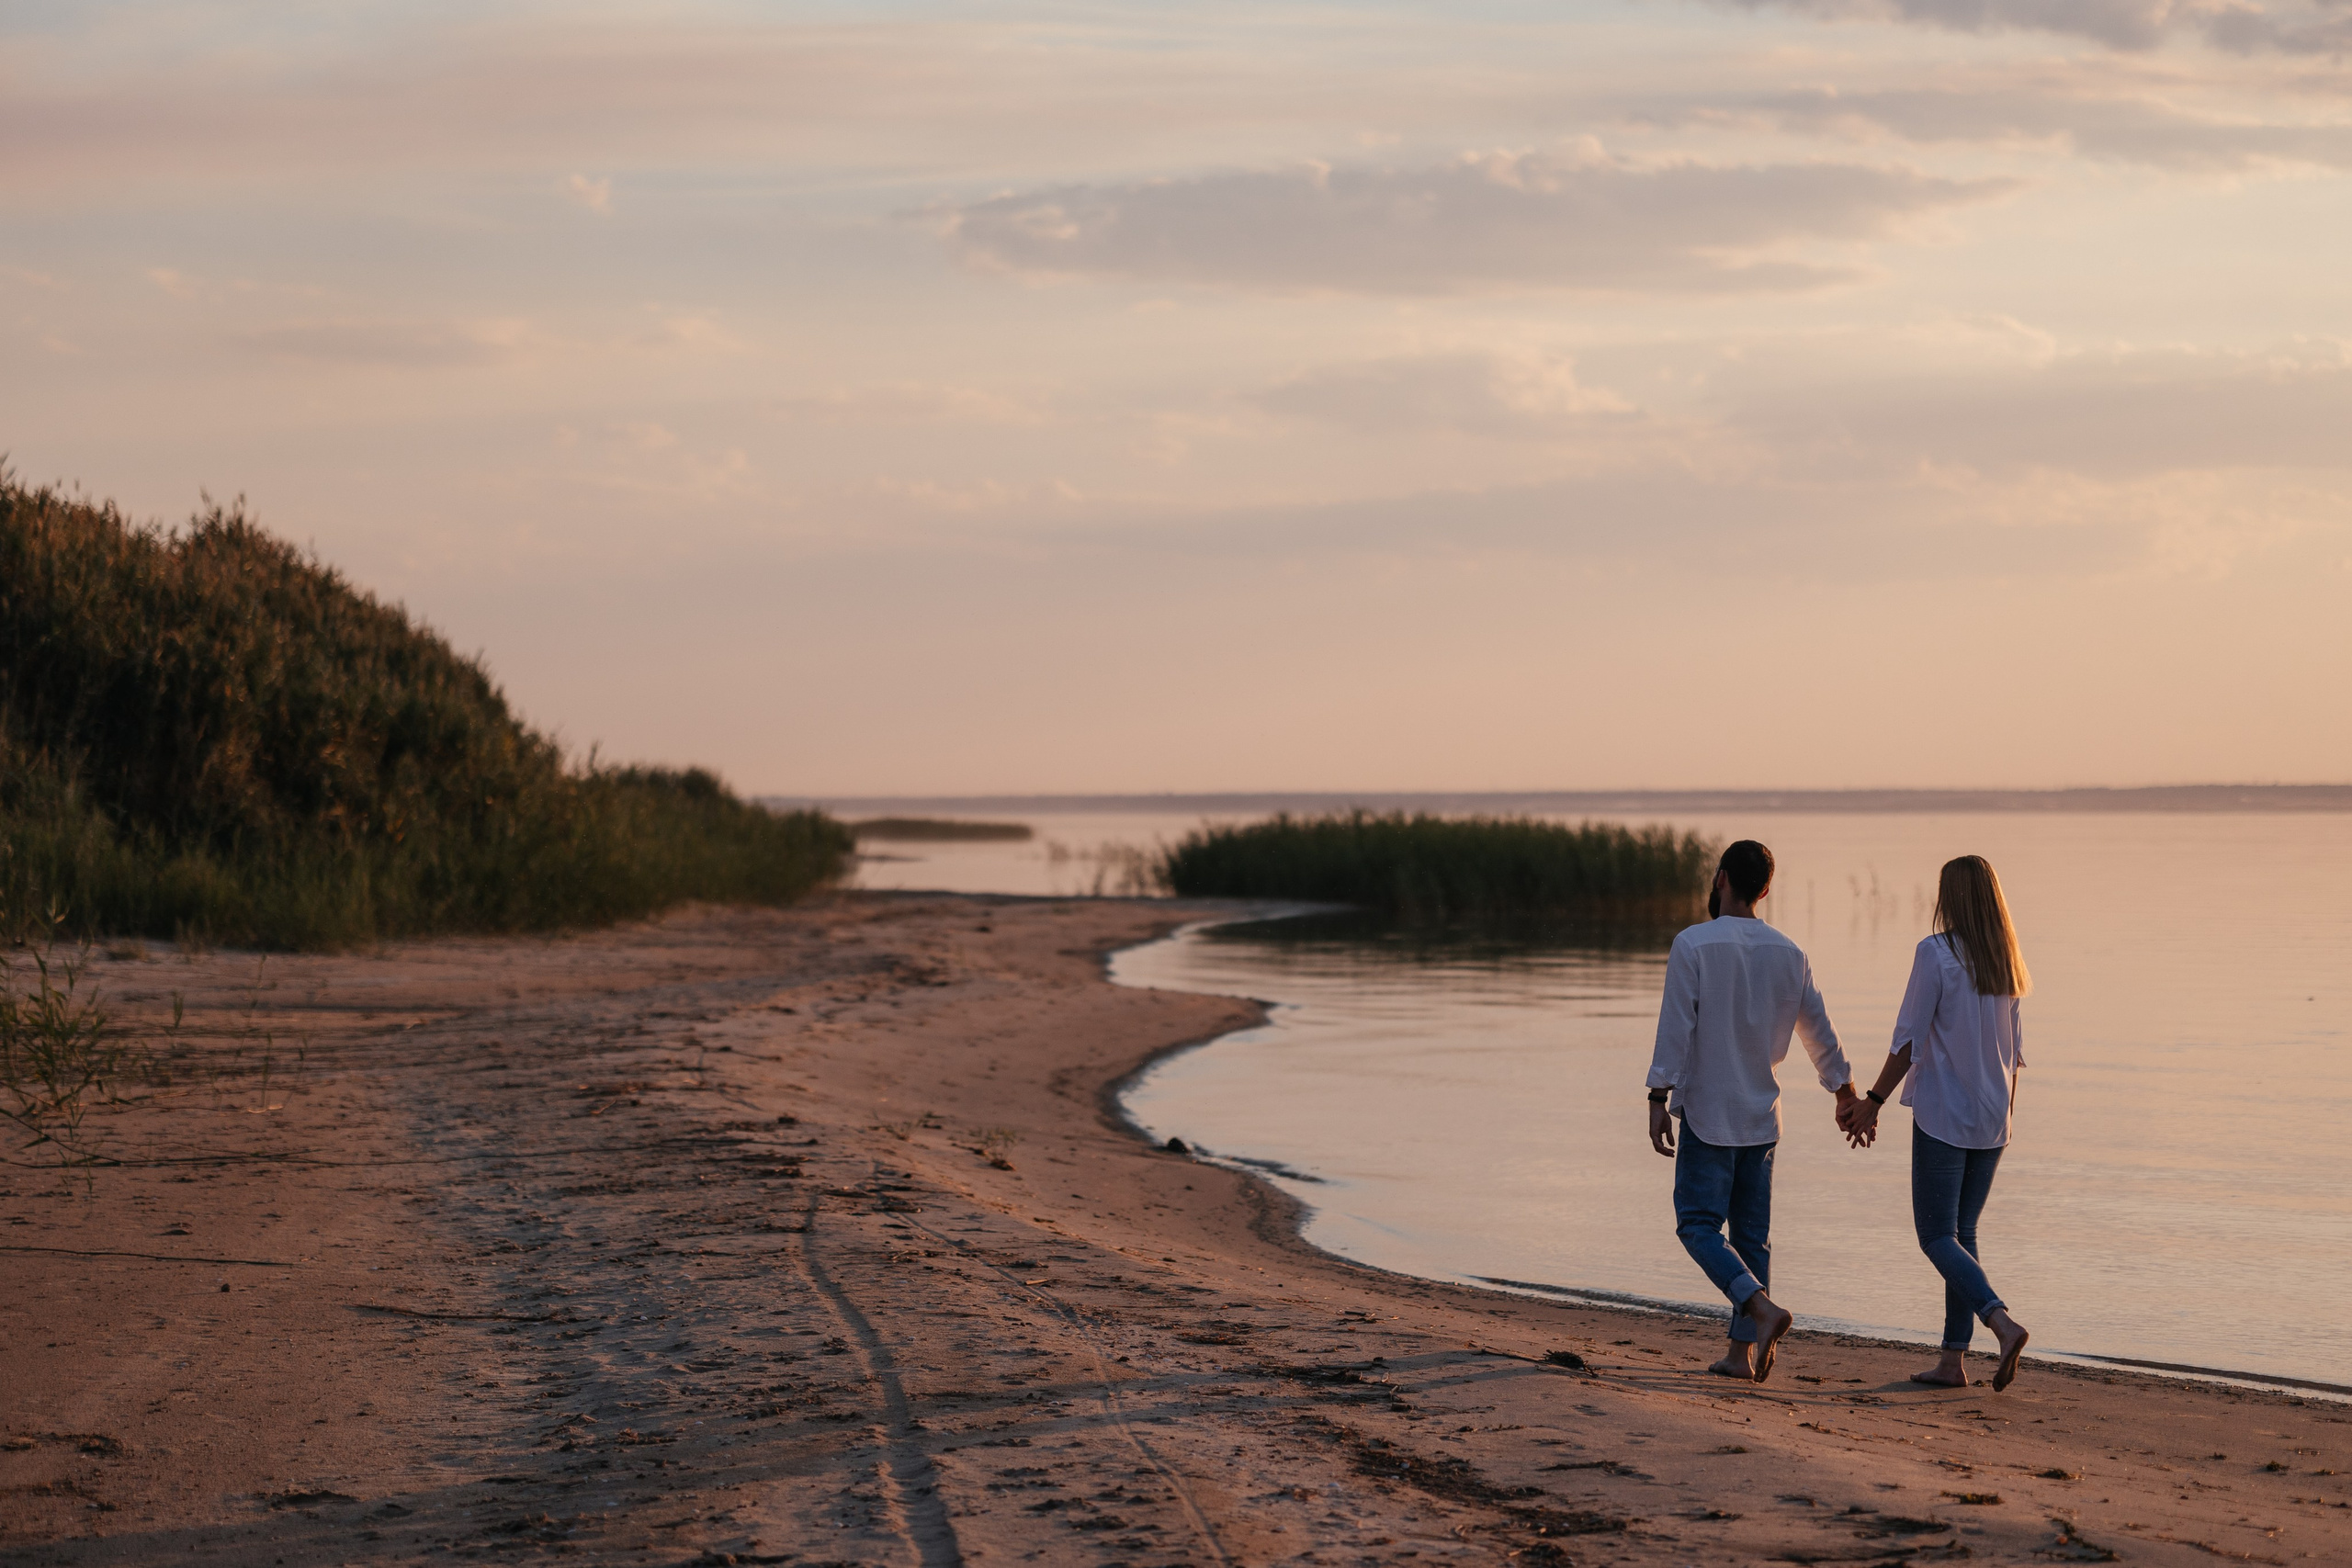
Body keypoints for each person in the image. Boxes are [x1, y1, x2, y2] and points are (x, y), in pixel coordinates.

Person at [1647, 840, 1857, 1382]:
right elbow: (1820, 1033)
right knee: (1750, 1238)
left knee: (1696, 1225)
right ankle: (1740, 1356)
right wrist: (1845, 1094)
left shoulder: (1693, 944)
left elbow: (1676, 1028)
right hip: (1761, 1116)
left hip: (1709, 1112)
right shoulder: (1790, 953)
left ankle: (1760, 1309)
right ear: (1765, 889)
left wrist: (1656, 1095)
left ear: (1721, 879)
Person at [1843, 854, 2033, 1392]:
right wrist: (2005, 1119)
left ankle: (1999, 1321)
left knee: (1935, 1235)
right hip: (1995, 1117)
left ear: (1951, 898)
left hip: (1946, 1113)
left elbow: (1908, 1038)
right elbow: (2015, 1055)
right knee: (1962, 1234)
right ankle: (1952, 1361)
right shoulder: (2008, 960)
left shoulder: (1936, 954)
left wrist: (1874, 1100)